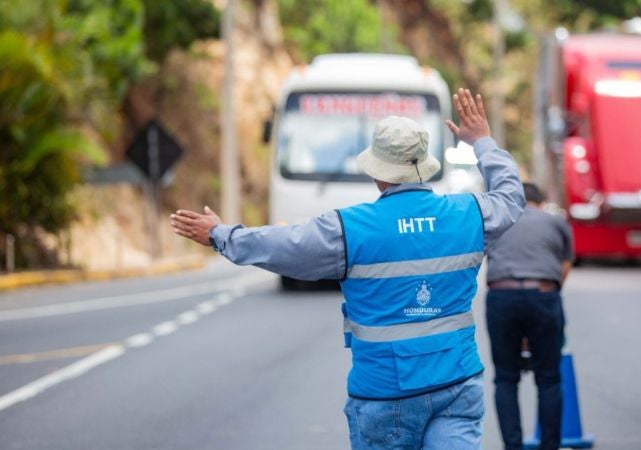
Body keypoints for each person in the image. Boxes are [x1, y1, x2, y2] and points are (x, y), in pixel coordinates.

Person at [170, 88, 525, 449]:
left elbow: (283, 245)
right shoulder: (470, 215)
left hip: (386, 396)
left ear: (378, 171)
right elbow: (511, 196)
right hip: (457, 386)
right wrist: (482, 142)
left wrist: (220, 235)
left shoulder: (349, 228)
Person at [484, 182, 574, 450]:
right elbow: (564, 266)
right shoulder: (555, 222)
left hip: (502, 295)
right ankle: (549, 446)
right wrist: (542, 297)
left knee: (505, 378)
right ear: (541, 201)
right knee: (548, 378)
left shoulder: (499, 223)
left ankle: (512, 446)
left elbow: (490, 259)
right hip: (543, 293)